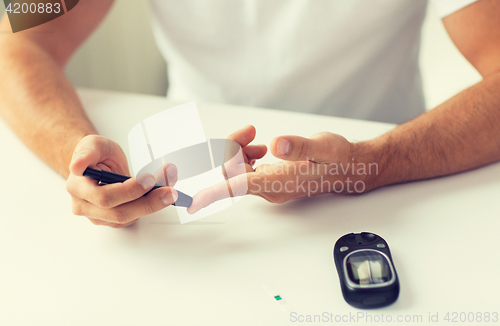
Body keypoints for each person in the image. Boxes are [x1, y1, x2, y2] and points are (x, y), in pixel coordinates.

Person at [0, 0, 499, 227]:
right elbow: (15, 38)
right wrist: (79, 157)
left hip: (387, 191)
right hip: (185, 197)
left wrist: (372, 164)